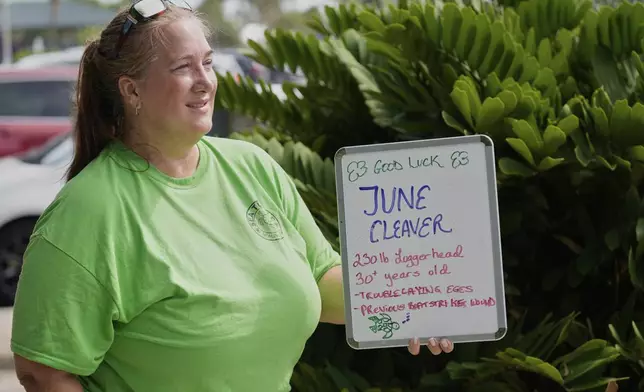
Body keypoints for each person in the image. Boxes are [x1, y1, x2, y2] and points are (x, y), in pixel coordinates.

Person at [10, 1, 454, 391]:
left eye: (208, 63)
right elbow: (42, 370)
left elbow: (320, 279)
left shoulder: (250, 166)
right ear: (131, 90)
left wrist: (410, 306)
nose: (204, 81)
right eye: (183, 68)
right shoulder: (89, 212)